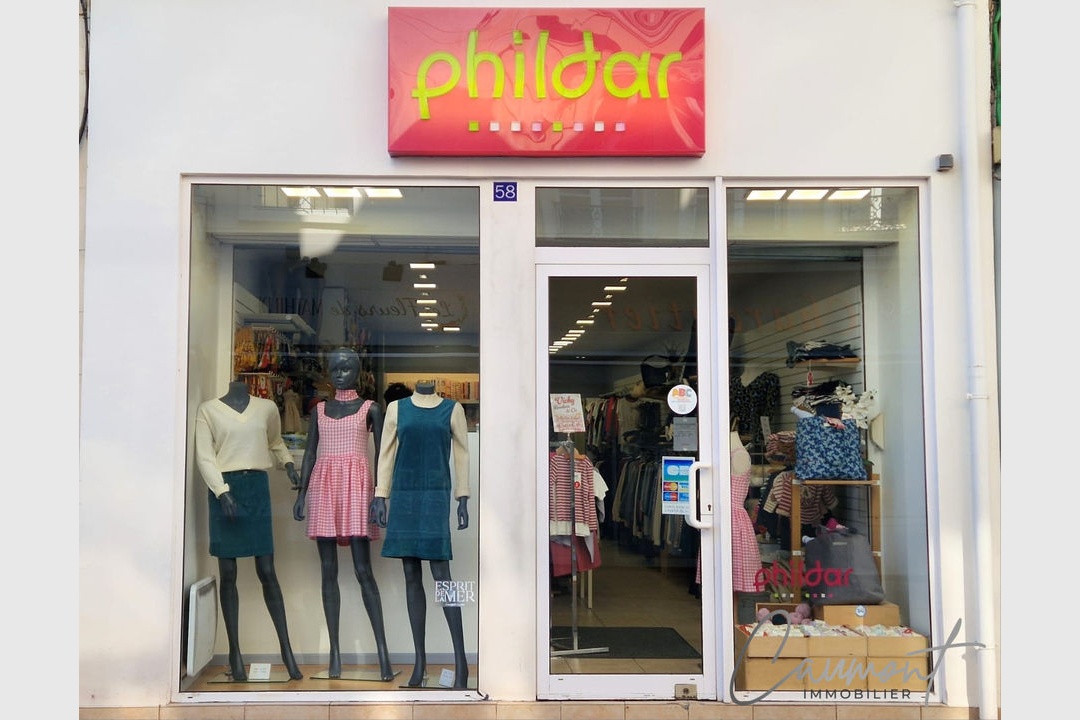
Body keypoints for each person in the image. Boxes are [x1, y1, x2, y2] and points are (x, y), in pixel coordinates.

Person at [293, 347, 394, 680]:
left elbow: (383, 455)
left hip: (356, 489)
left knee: (364, 571)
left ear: (358, 371)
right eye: (335, 368)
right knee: (328, 571)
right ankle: (335, 653)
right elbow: (310, 453)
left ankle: (383, 654)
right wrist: (302, 493)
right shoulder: (319, 410)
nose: (340, 374)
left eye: (346, 368)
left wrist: (380, 496)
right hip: (324, 488)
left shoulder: (370, 409)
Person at [194, 379, 303, 681]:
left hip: (256, 488)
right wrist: (222, 492)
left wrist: (288, 463)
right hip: (224, 489)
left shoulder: (266, 408)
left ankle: (287, 652)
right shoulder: (208, 410)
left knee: (267, 570)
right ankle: (235, 653)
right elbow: (205, 456)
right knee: (228, 573)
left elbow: (275, 442)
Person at [371, 379, 470, 688]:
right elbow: (386, 453)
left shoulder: (452, 409)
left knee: (443, 575)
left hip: (435, 496)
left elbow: (462, 454)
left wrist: (462, 497)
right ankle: (420, 663)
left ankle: (462, 663)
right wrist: (380, 495)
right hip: (404, 495)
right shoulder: (396, 409)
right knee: (411, 575)